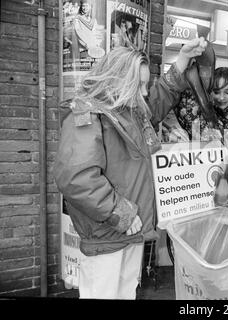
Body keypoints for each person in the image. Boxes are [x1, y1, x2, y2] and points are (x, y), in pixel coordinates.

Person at [54, 38, 207, 299]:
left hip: (129, 230)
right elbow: (76, 178)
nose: (145, 92)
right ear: (119, 81)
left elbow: (157, 100)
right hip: (110, 232)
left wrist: (182, 60)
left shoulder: (129, 110)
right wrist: (121, 213)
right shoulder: (88, 115)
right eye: (140, 85)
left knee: (125, 293)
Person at [170, 51, 228, 218]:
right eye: (216, 91)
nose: (221, 97)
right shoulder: (200, 119)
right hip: (207, 203)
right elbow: (182, 101)